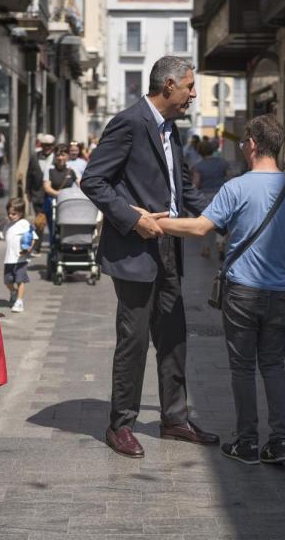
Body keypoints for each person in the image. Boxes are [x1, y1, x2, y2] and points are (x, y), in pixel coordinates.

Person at [156, 115, 285, 466]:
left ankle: (246, 442)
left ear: (254, 145)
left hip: (242, 291)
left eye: (245, 141)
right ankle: (280, 442)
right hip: (280, 293)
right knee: (274, 365)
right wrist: (282, 258)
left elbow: (200, 228)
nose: (243, 146)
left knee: (243, 368)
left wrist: (155, 222)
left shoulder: (236, 188)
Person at [80, 56, 218, 459]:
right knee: (134, 340)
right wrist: (131, 218)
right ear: (169, 85)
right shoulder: (130, 122)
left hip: (170, 248)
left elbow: (182, 193)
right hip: (136, 251)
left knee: (174, 337)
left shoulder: (169, 128)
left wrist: (225, 215)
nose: (194, 94)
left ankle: (174, 419)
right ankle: (120, 424)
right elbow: (93, 180)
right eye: (190, 86)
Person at [0, 197, 36, 314]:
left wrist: (29, 248)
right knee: (7, 281)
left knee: (20, 280)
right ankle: (13, 292)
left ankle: (19, 301)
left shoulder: (24, 223)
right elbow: (2, 236)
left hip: (20, 259)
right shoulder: (8, 225)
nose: (10, 216)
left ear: (21, 213)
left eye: (13, 214)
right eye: (9, 213)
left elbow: (32, 237)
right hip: (8, 259)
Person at [192, 139, 229, 258]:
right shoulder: (222, 162)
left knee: (207, 222)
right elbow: (228, 177)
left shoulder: (198, 166)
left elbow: (196, 183)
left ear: (199, 152)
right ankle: (220, 244)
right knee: (221, 221)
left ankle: (206, 248)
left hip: (205, 197)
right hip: (220, 195)